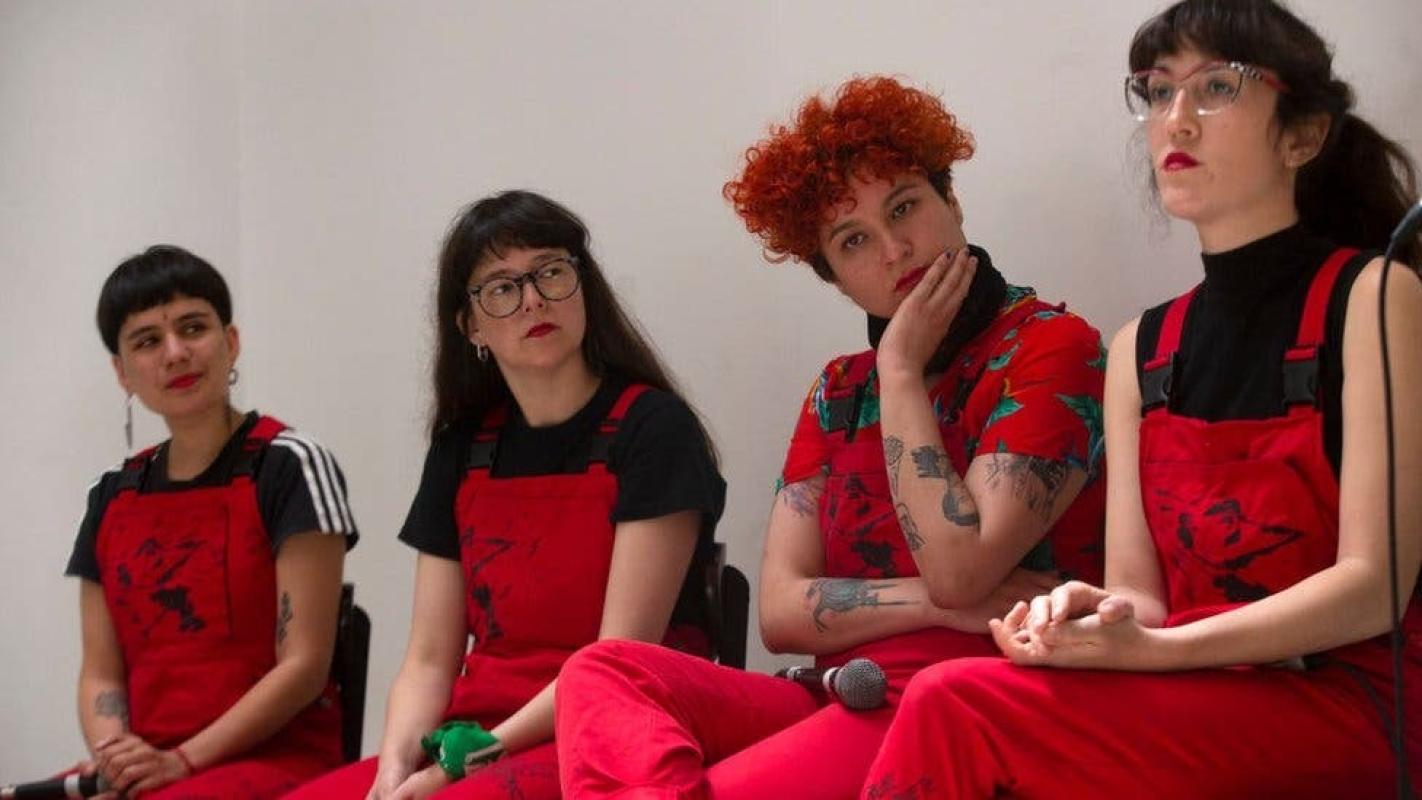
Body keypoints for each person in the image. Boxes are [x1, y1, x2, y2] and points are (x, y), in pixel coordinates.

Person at [861, 1, 1422, 797]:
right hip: (1205, 692)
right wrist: (1089, 616)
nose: (1176, 120)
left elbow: (1374, 586)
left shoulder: (1374, 297)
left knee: (956, 705)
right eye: (1158, 92)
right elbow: (1141, 596)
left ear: (1302, 136)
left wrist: (1157, 652)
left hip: (1359, 708)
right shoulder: (1141, 348)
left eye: (1217, 87)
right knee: (967, 699)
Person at [554, 76, 1107, 798]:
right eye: (854, 241)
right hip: (846, 690)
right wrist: (932, 605)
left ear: (952, 200)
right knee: (601, 671)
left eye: (904, 206)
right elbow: (781, 612)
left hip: (973, 698)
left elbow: (961, 572)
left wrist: (900, 371)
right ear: (836, 279)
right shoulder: (838, 390)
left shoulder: (1052, 346)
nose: (895, 249)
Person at [287, 190, 725, 800]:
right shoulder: (462, 447)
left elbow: (617, 659)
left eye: (551, 272)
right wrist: (392, 772)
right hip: (474, 735)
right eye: (501, 287)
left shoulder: (654, 428)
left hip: (602, 732)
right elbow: (429, 659)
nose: (534, 300)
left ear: (583, 286)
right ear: (470, 325)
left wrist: (458, 768)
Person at [66, 244, 358, 798]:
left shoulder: (290, 464)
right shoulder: (110, 496)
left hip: (278, 762)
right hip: (153, 765)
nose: (176, 353)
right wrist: (116, 757)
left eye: (193, 328)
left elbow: (304, 666)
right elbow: (100, 671)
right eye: (147, 341)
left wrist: (181, 761)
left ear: (231, 341)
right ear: (122, 373)